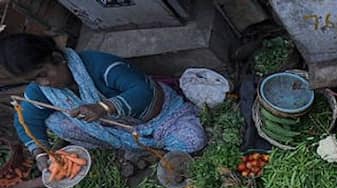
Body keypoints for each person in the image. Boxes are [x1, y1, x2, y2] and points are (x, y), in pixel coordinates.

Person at [0, 33, 207, 171]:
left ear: (57, 58)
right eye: (35, 80)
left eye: (43, 74)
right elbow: (25, 119)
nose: (44, 83)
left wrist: (104, 107)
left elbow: (142, 91)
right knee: (55, 122)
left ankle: (153, 146)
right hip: (121, 133)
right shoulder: (42, 89)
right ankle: (135, 147)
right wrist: (39, 154)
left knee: (193, 140)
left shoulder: (97, 64)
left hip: (161, 117)